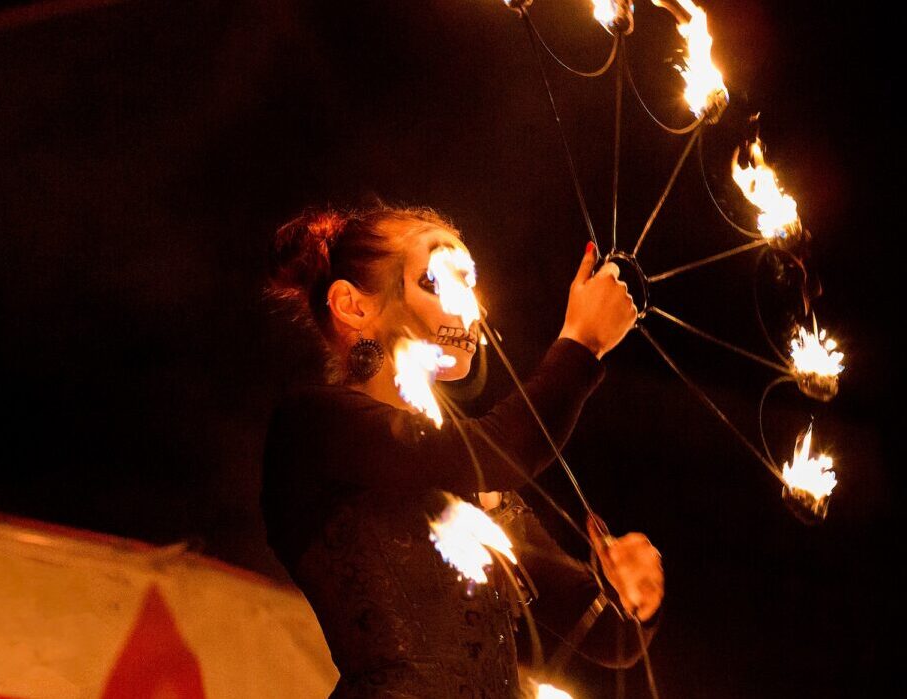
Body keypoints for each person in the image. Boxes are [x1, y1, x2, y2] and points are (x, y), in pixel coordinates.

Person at [261, 204, 664, 698]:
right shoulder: (313, 424)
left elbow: (608, 634)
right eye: (439, 278)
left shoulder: (472, 479)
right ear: (352, 305)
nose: (472, 306)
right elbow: (498, 450)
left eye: (469, 283)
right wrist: (581, 341)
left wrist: (632, 593)